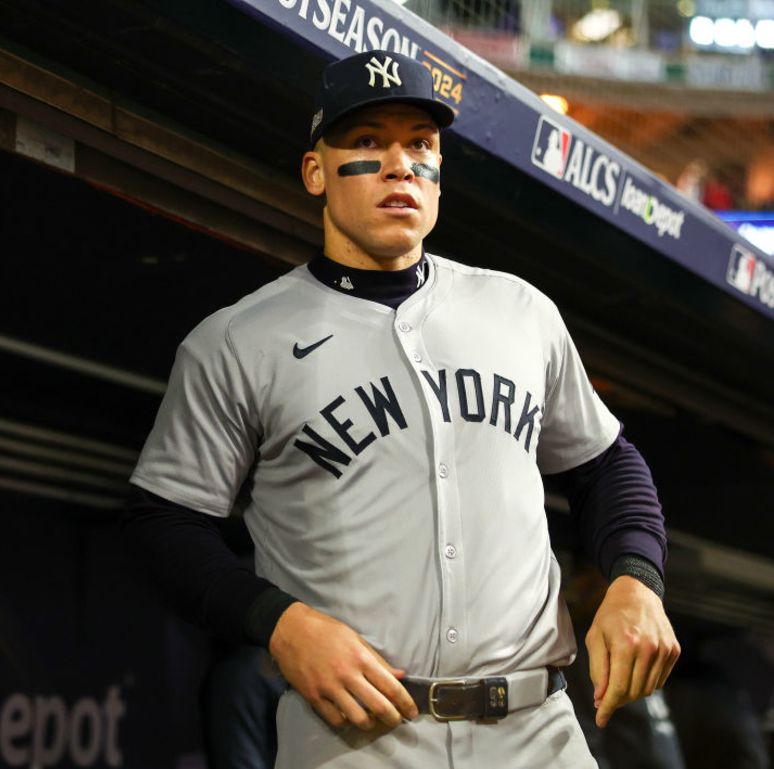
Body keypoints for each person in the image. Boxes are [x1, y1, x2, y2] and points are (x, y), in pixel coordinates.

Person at [123, 50, 680, 768]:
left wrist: (637, 579)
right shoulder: (239, 339)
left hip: (539, 730)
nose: (399, 164)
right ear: (315, 172)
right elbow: (163, 519)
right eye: (366, 142)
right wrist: (279, 623)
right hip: (357, 736)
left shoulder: (518, 310)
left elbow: (606, 463)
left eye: (419, 142)